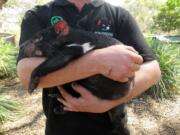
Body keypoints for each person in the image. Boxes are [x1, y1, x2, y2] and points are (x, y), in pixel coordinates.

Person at [17, 0, 161, 135]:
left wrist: (107, 103)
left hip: (112, 127)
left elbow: (153, 69)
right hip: (60, 128)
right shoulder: (38, 15)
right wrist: (97, 61)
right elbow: (26, 75)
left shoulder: (118, 16)